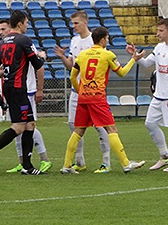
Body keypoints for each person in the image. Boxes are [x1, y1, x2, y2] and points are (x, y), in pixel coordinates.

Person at [61, 27, 146, 174]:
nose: (107, 40)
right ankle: (126, 164)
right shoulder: (107, 55)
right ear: (101, 40)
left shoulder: (82, 55)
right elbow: (122, 73)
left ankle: (66, 166)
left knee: (78, 130)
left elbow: (72, 77)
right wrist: (133, 60)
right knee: (111, 129)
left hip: (83, 97)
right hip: (97, 97)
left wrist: (80, 90)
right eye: (107, 38)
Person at [0, 10, 45, 175]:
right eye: (27, 23)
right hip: (18, 89)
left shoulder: (2, 43)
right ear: (20, 23)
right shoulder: (24, 40)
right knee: (19, 127)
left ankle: (27, 166)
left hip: (9, 87)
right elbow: (36, 64)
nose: (27, 26)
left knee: (30, 124)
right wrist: (42, 56)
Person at [53, 10, 111, 172]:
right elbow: (71, 66)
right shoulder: (74, 41)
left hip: (92, 92)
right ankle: (79, 161)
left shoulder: (95, 41)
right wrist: (62, 57)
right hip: (76, 91)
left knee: (101, 126)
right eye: (72, 23)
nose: (74, 26)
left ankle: (106, 161)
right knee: (74, 125)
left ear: (85, 23)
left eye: (76, 23)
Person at [0, 18, 52, 174]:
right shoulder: (8, 47)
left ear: (12, 28)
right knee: (18, 127)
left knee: (29, 125)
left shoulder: (24, 43)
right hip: (14, 90)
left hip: (26, 90)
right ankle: (22, 162)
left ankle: (44, 159)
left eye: (3, 29)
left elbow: (39, 67)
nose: (1, 33)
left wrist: (39, 89)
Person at [136, 17, 168, 173]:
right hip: (158, 95)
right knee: (149, 123)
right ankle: (165, 156)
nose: (157, 33)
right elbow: (146, 63)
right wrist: (138, 58)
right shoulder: (159, 47)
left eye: (161, 30)